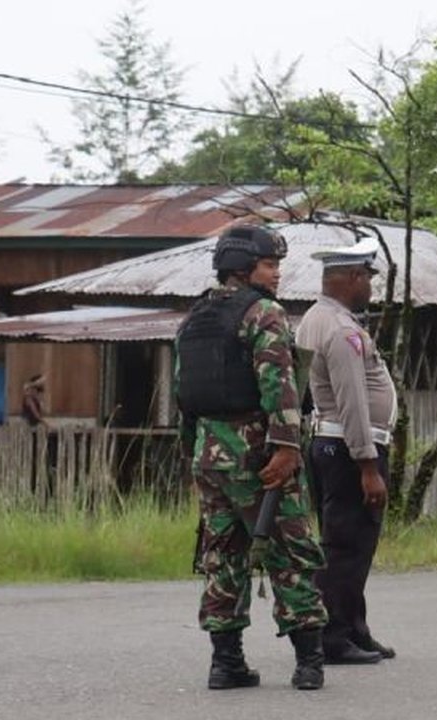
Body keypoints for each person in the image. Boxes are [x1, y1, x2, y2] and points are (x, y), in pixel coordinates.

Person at [175, 224, 328, 691]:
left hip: (208, 453)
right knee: (290, 551)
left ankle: (226, 665)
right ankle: (309, 663)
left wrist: (193, 451)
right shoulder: (263, 313)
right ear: (243, 268)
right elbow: (279, 385)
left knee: (222, 555)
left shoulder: (195, 317)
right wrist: (285, 447)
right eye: (270, 265)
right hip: (257, 452)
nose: (278, 274)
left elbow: (185, 393)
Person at [295, 236, 397, 665]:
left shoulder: (314, 318)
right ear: (353, 278)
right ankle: (333, 637)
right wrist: (368, 466)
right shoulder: (339, 329)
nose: (370, 287)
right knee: (346, 545)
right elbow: (352, 399)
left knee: (352, 542)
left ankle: (354, 627)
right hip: (349, 448)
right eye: (368, 278)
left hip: (331, 444)